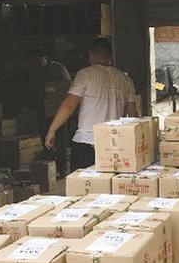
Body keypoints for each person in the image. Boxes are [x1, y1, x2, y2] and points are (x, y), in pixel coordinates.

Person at [45, 37, 138, 169]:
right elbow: (132, 114)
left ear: (91, 54)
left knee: (83, 182)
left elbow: (69, 105)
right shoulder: (125, 79)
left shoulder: (85, 75)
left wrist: (52, 130)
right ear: (111, 56)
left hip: (87, 142)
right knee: (109, 181)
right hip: (114, 143)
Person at [27, 46, 71, 177]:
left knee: (61, 141)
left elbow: (68, 86)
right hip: (42, 111)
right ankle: (50, 170)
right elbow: (31, 90)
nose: (36, 63)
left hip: (59, 111)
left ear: (45, 58)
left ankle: (62, 168)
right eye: (34, 61)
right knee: (46, 141)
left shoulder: (58, 69)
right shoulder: (34, 71)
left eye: (38, 60)